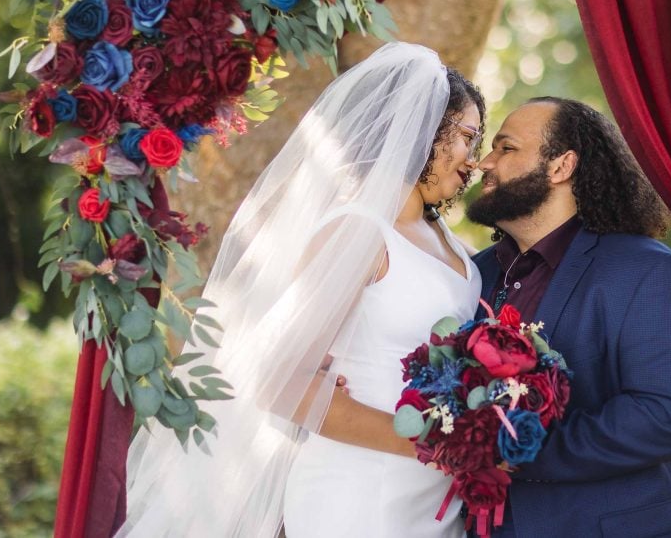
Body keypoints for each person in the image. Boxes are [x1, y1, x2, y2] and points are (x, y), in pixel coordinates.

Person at [117, 42, 486, 537]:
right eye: (467, 137)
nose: (475, 159)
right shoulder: (357, 229)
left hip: (433, 499)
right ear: (423, 128)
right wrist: (436, 443)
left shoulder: (455, 246)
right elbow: (283, 384)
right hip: (358, 494)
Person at [466, 97, 671, 537]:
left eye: (506, 148)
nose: (485, 162)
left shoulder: (647, 270)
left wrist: (519, 450)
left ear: (561, 166)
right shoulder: (475, 274)